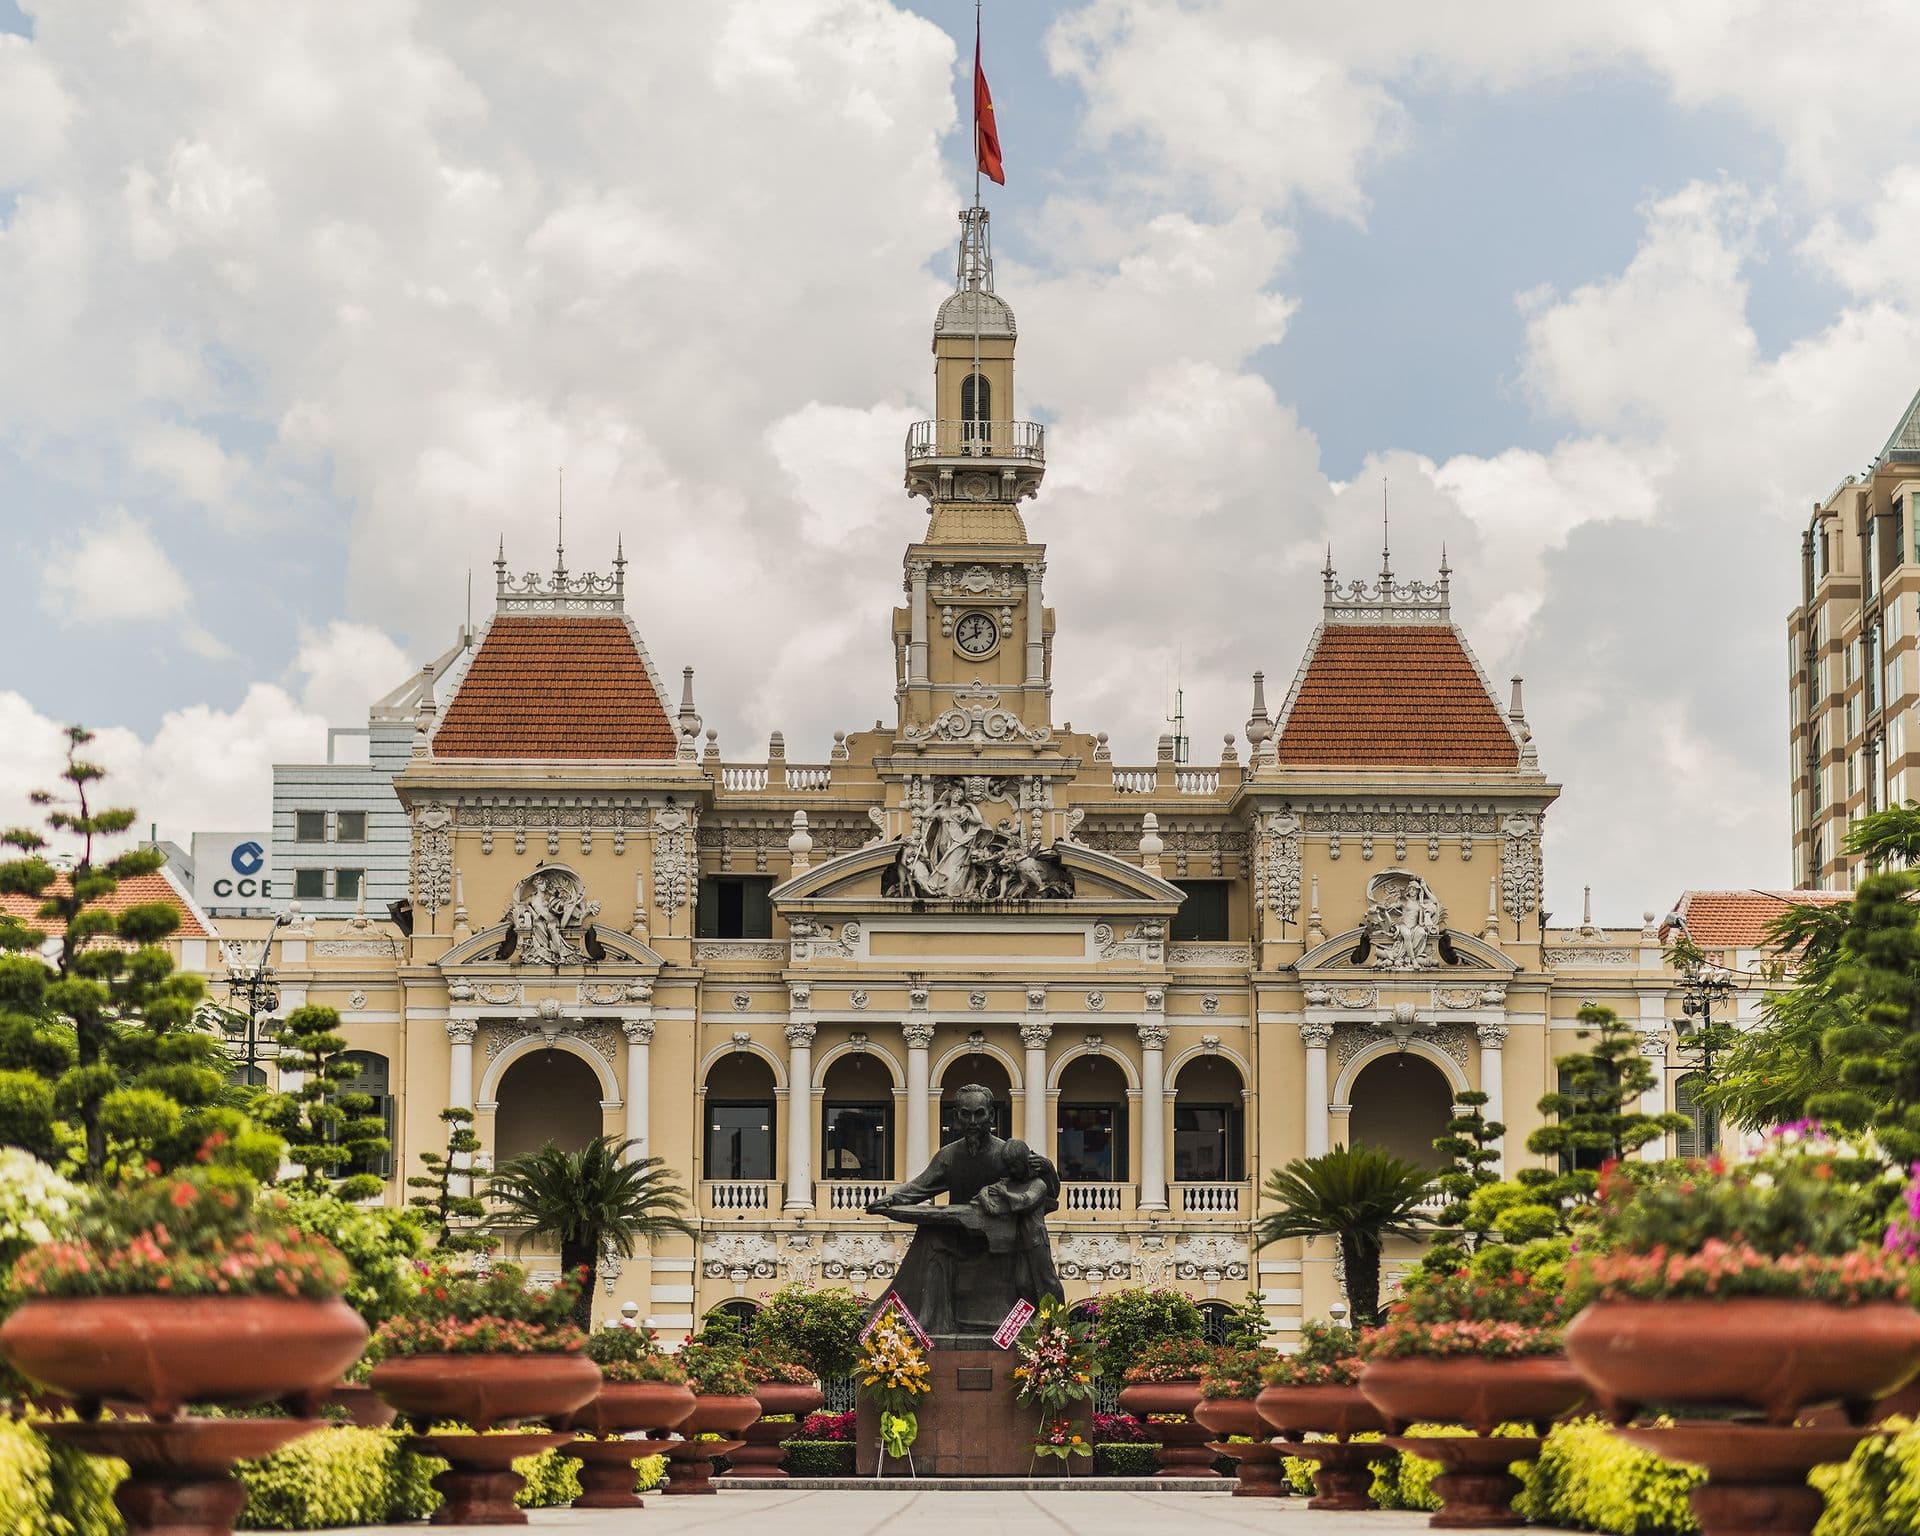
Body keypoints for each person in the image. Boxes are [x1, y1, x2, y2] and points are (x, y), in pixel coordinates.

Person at [866, 1084, 1063, 1336]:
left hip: (1001, 1241)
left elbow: (1046, 1191)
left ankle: (1049, 1325)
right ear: (956, 1117)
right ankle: (921, 1319)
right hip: (959, 1234)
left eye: (979, 1114)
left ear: (991, 1115)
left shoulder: (1008, 1153)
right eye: (966, 1114)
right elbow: (918, 1187)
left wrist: (1048, 1169)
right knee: (931, 1235)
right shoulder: (948, 1156)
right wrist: (889, 1199)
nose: (973, 1122)